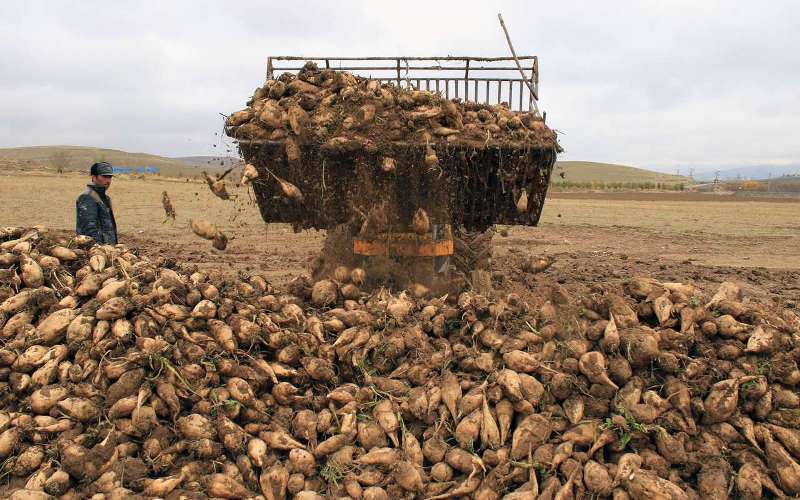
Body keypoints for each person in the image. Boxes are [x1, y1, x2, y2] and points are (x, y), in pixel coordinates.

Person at [76, 162, 118, 244]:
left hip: (108, 250)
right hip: (96, 251)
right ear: (94, 177)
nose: (108, 180)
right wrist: (99, 250)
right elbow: (89, 230)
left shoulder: (105, 198)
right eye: (104, 177)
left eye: (110, 177)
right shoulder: (87, 197)